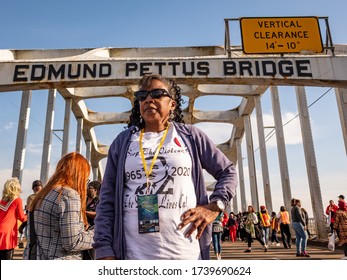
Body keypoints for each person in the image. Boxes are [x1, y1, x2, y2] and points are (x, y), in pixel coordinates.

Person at [93, 73, 237, 260]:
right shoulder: (123, 142)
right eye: (141, 96)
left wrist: (214, 206)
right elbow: (107, 200)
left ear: (173, 104)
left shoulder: (191, 137)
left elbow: (228, 171)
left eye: (157, 94)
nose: (148, 99)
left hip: (185, 254)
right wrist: (104, 250)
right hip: (133, 257)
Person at [23, 152, 94, 260]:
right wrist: (98, 234)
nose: (85, 183)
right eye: (86, 179)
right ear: (78, 176)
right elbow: (72, 242)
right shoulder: (69, 195)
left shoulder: (43, 195)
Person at [0, 178, 27, 260]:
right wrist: (31, 215)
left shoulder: (1, 201)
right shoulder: (17, 200)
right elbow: (22, 218)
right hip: (8, 233)